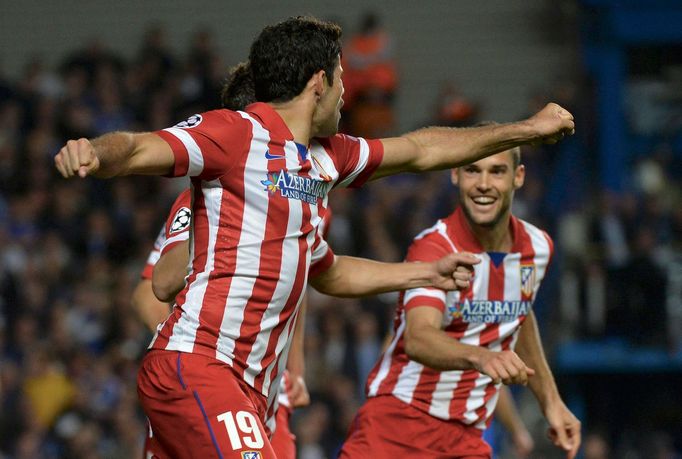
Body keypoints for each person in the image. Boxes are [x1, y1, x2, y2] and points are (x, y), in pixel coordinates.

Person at [54, 16, 575, 459]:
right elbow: (141, 148)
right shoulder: (237, 133)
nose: (349, 93)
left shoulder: (328, 159)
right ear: (319, 82)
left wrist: (525, 132)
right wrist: (95, 154)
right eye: (344, 78)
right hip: (199, 366)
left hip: (251, 390)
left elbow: (417, 154)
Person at [339, 141, 581, 459]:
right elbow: (419, 338)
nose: (483, 184)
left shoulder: (538, 248)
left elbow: (518, 317)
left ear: (518, 177)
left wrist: (551, 401)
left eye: (497, 172)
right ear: (455, 175)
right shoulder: (434, 247)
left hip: (467, 436)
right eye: (472, 171)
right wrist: (482, 357)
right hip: (397, 426)